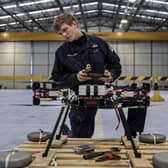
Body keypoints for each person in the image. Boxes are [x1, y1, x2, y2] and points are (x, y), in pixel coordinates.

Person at [51, 12, 122, 138]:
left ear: (74, 24)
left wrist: (111, 75)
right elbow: (57, 77)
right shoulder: (61, 52)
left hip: (102, 93)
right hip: (78, 98)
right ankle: (71, 133)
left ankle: (134, 135)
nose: (64, 35)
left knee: (138, 103)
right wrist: (75, 78)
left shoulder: (99, 43)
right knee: (81, 135)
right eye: (60, 34)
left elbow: (116, 65)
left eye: (65, 30)